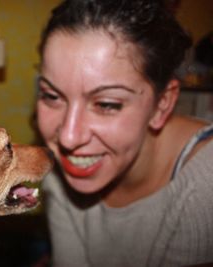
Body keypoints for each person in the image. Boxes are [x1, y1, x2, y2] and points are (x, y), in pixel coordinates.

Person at [35, 0, 213, 266]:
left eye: (107, 104)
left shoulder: (204, 185)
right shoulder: (60, 173)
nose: (68, 138)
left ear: (162, 104)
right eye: (51, 96)